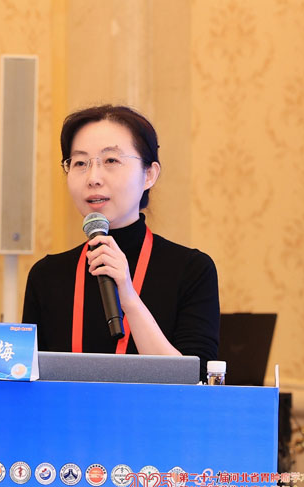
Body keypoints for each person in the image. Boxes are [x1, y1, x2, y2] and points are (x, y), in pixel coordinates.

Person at [22, 104, 219, 378]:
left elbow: (196, 382)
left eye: (111, 161)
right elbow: (29, 379)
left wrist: (127, 295)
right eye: (80, 163)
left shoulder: (191, 270)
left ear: (149, 174)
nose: (93, 178)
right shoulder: (46, 276)